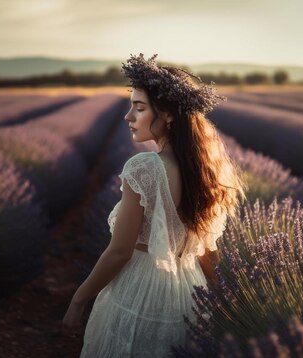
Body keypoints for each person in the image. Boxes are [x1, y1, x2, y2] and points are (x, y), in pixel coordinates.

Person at [62, 53, 246, 357]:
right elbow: (208, 252)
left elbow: (120, 252)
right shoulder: (205, 170)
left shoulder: (143, 167)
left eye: (139, 108)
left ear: (169, 114)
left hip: (141, 290)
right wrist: (225, 299)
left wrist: (79, 299)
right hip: (189, 291)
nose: (128, 117)